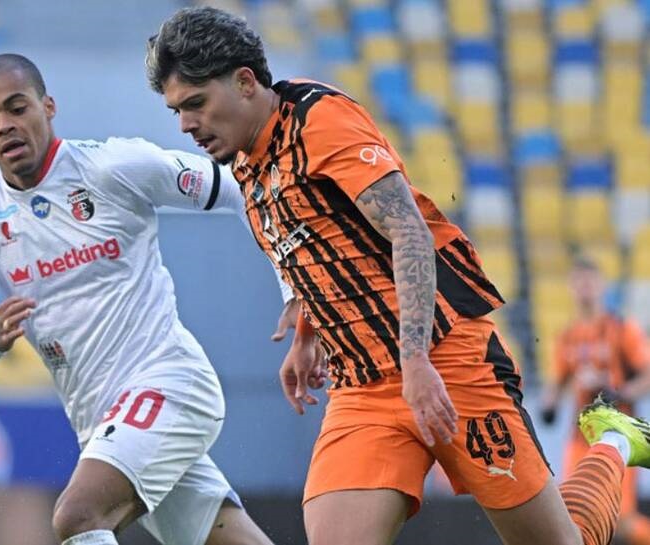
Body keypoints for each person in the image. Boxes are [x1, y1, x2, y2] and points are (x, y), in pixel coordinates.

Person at [145, 7, 650, 545]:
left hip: (446, 360)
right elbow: (322, 243)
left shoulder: (319, 121)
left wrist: (415, 362)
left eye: (196, 103)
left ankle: (615, 443)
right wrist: (308, 330)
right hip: (361, 387)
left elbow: (409, 232)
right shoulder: (247, 162)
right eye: (176, 110)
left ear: (246, 82)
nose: (185, 125)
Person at [0, 53, 282, 545]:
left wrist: (293, 288)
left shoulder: (113, 167)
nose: (5, 126)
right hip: (101, 420)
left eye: (17, 108)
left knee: (78, 516)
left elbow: (235, 188)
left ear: (48, 107)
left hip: (169, 383)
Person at [542, 256, 650, 545]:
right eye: (579, 282)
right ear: (570, 287)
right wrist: (549, 405)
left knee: (621, 522)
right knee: (573, 518)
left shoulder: (622, 329)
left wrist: (619, 391)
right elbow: (557, 383)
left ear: (602, 285)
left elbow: (647, 375)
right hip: (580, 439)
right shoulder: (567, 336)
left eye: (590, 281)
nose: (585, 287)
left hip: (620, 437)